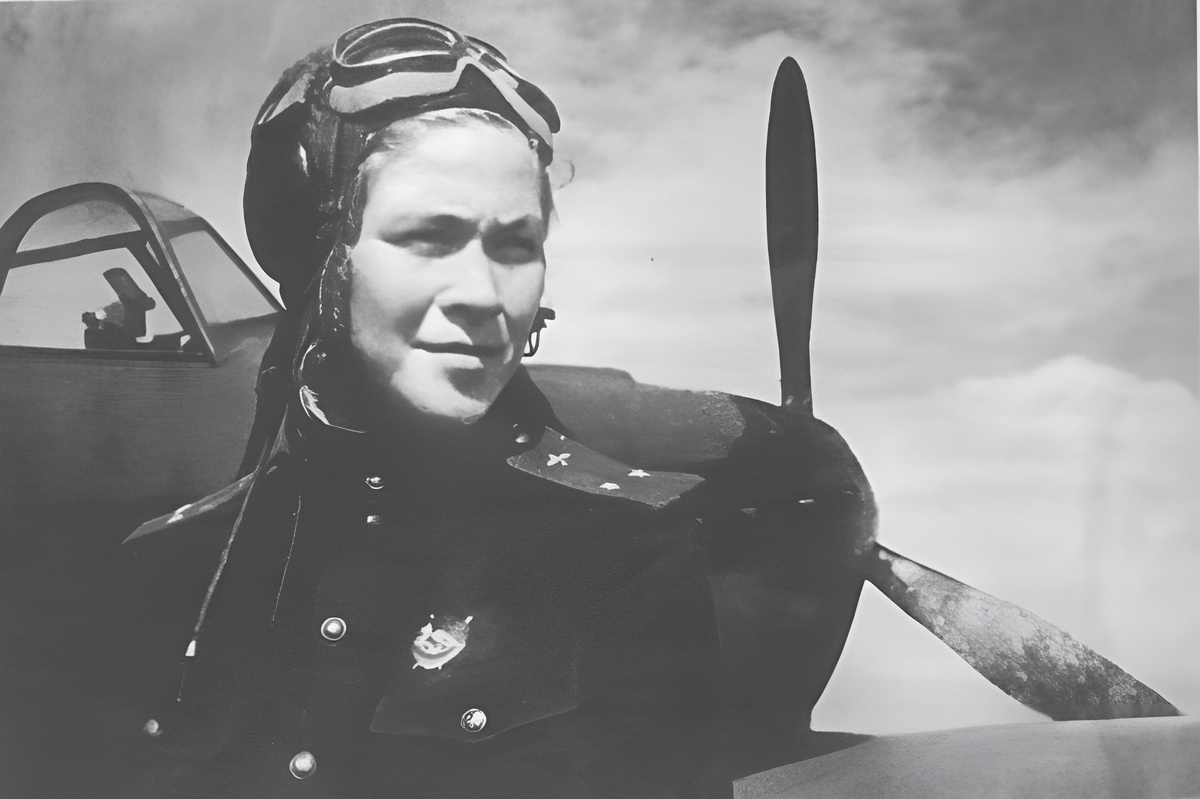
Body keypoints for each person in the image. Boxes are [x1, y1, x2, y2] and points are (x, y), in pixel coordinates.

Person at [111, 16, 1183, 799]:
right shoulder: (165, 569)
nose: (483, 294)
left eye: (516, 243)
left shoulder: (628, 553)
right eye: (429, 237)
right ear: (322, 258)